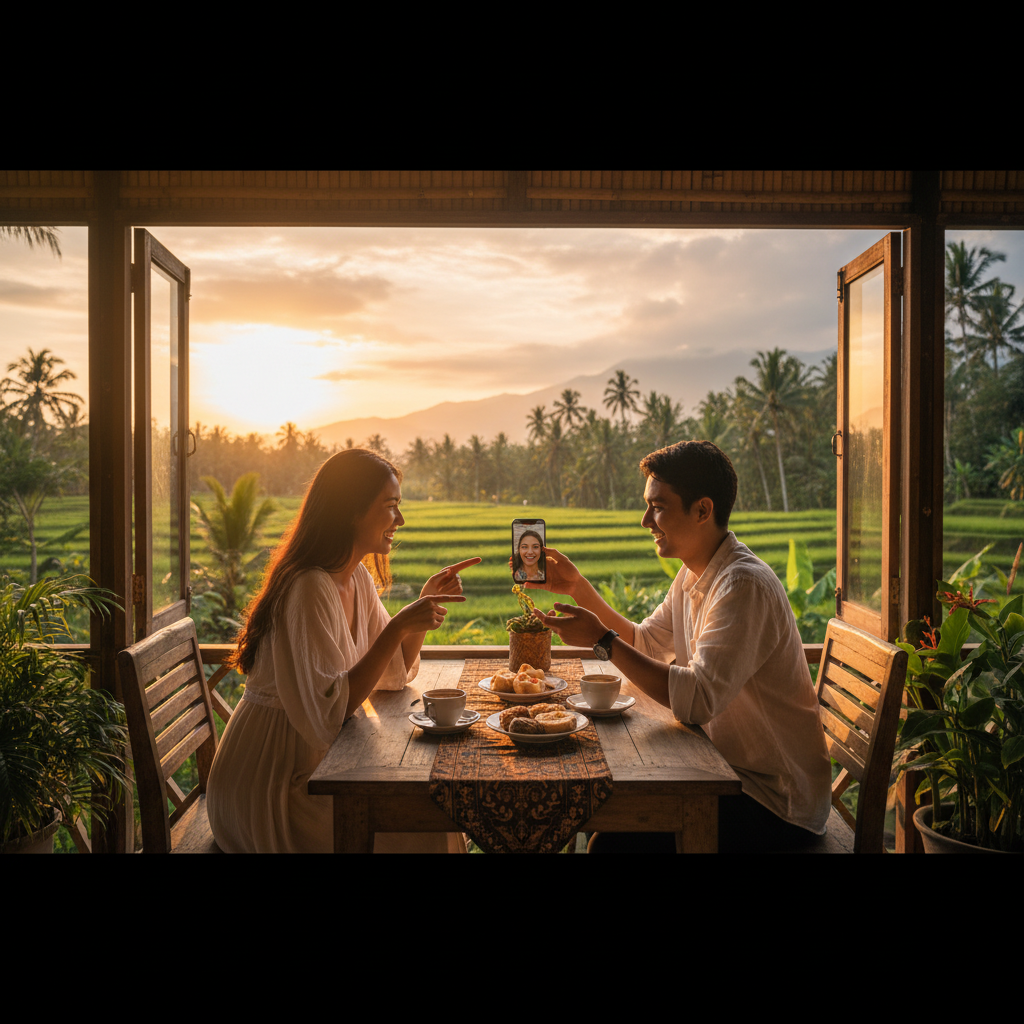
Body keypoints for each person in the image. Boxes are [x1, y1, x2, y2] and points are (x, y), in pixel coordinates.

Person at [529, 440, 832, 853]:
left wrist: (601, 640)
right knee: (608, 827)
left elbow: (697, 699)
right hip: (724, 772)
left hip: (774, 803)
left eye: (658, 507)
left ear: (703, 510)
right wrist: (579, 590)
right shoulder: (695, 574)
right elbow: (647, 643)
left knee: (612, 845)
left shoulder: (742, 585)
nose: (645, 521)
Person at [206, 449, 481, 854]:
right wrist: (400, 625)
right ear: (352, 510)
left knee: (428, 816)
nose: (400, 521)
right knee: (422, 829)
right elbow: (328, 716)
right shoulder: (309, 587)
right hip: (273, 780)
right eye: (390, 507)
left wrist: (420, 610)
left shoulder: (356, 580)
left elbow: (392, 675)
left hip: (315, 761)